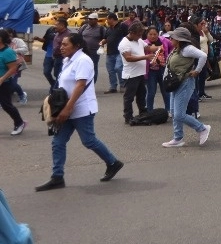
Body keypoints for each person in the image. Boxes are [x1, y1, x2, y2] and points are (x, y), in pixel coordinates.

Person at [35, 32, 123, 191]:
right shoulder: (67, 60)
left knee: (89, 140)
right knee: (57, 142)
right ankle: (57, 177)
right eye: (61, 44)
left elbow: (80, 85)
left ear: (77, 46)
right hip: (65, 109)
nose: (61, 47)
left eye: (65, 44)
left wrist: (68, 108)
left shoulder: (83, 60)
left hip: (81, 109)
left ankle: (113, 162)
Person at [161, 27, 212, 148]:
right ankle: (178, 138)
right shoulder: (177, 49)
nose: (170, 39)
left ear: (179, 39)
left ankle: (202, 128)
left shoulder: (187, 49)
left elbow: (203, 56)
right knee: (174, 112)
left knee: (179, 114)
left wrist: (197, 71)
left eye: (173, 37)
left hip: (185, 83)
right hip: (176, 83)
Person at [117, 22, 153, 123]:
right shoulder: (124, 43)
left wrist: (159, 48)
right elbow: (128, 58)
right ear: (132, 33)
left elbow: (148, 48)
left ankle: (142, 113)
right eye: (138, 34)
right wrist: (145, 57)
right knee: (129, 97)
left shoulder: (139, 40)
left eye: (141, 34)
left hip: (140, 73)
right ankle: (128, 116)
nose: (140, 37)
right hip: (131, 74)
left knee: (141, 95)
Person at [0, 31, 27, 136]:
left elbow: (13, 68)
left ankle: (19, 123)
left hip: (4, 83)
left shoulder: (8, 52)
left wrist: (2, 79)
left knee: (6, 105)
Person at [143, 27, 171, 111]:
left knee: (166, 92)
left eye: (155, 34)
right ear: (147, 35)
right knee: (151, 92)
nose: (153, 36)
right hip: (151, 71)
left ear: (158, 34)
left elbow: (173, 46)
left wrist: (169, 57)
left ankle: (169, 110)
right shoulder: (144, 43)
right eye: (150, 34)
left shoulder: (164, 41)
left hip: (163, 69)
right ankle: (150, 111)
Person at [101, 13, 128, 93]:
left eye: (108, 19)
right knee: (110, 70)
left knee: (118, 68)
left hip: (120, 52)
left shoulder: (122, 26)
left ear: (112, 19)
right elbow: (105, 38)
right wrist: (102, 42)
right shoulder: (108, 29)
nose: (107, 21)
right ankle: (113, 86)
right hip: (110, 52)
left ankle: (123, 85)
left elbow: (128, 36)